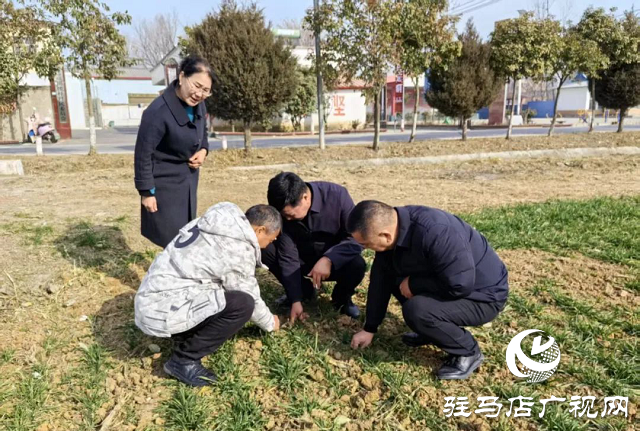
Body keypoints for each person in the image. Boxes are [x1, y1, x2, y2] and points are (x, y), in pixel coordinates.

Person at [347, 200, 509, 380]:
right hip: (449, 281)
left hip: (483, 295)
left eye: (366, 244)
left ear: (385, 235)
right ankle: (430, 331)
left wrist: (415, 284)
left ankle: (467, 351)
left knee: (417, 311)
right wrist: (370, 328)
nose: (365, 249)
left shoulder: (435, 231)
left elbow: (460, 284)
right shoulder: (396, 231)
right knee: (395, 279)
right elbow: (380, 279)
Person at [135, 202, 282, 387]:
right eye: (271, 239)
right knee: (243, 304)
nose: (268, 245)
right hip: (162, 311)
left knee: (223, 290)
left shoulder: (220, 221)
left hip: (152, 298)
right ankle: (183, 361)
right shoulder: (237, 247)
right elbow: (248, 292)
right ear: (260, 230)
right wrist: (270, 323)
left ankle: (184, 333)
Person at [262, 172, 366, 323]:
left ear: (305, 197)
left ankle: (342, 299)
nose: (287, 219)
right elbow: (287, 256)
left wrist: (330, 259)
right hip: (301, 261)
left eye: (290, 215)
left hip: (333, 262)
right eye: (284, 216)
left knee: (357, 264)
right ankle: (303, 292)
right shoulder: (283, 216)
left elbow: (356, 238)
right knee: (266, 249)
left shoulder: (337, 196)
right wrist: (295, 299)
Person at [134, 55, 214, 248]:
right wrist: (147, 192)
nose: (199, 94)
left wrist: (203, 150)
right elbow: (143, 155)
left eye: (206, 90)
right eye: (196, 86)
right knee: (171, 239)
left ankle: (178, 273)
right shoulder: (157, 112)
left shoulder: (199, 105)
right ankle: (167, 275)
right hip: (164, 184)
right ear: (182, 76)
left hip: (187, 180)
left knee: (186, 232)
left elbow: (202, 131)